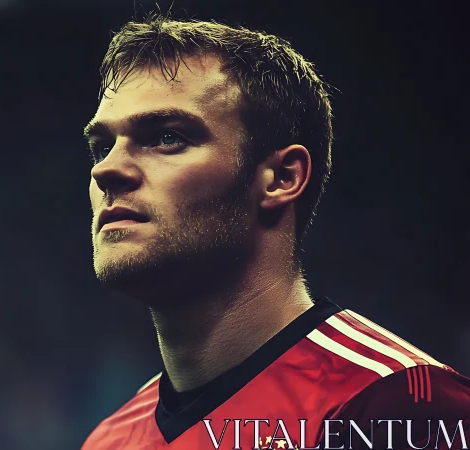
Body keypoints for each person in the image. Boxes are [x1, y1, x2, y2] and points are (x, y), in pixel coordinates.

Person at [81, 14, 470, 450]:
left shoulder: (398, 405)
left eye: (167, 137)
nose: (106, 169)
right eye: (101, 146)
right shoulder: (108, 440)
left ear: (282, 178)